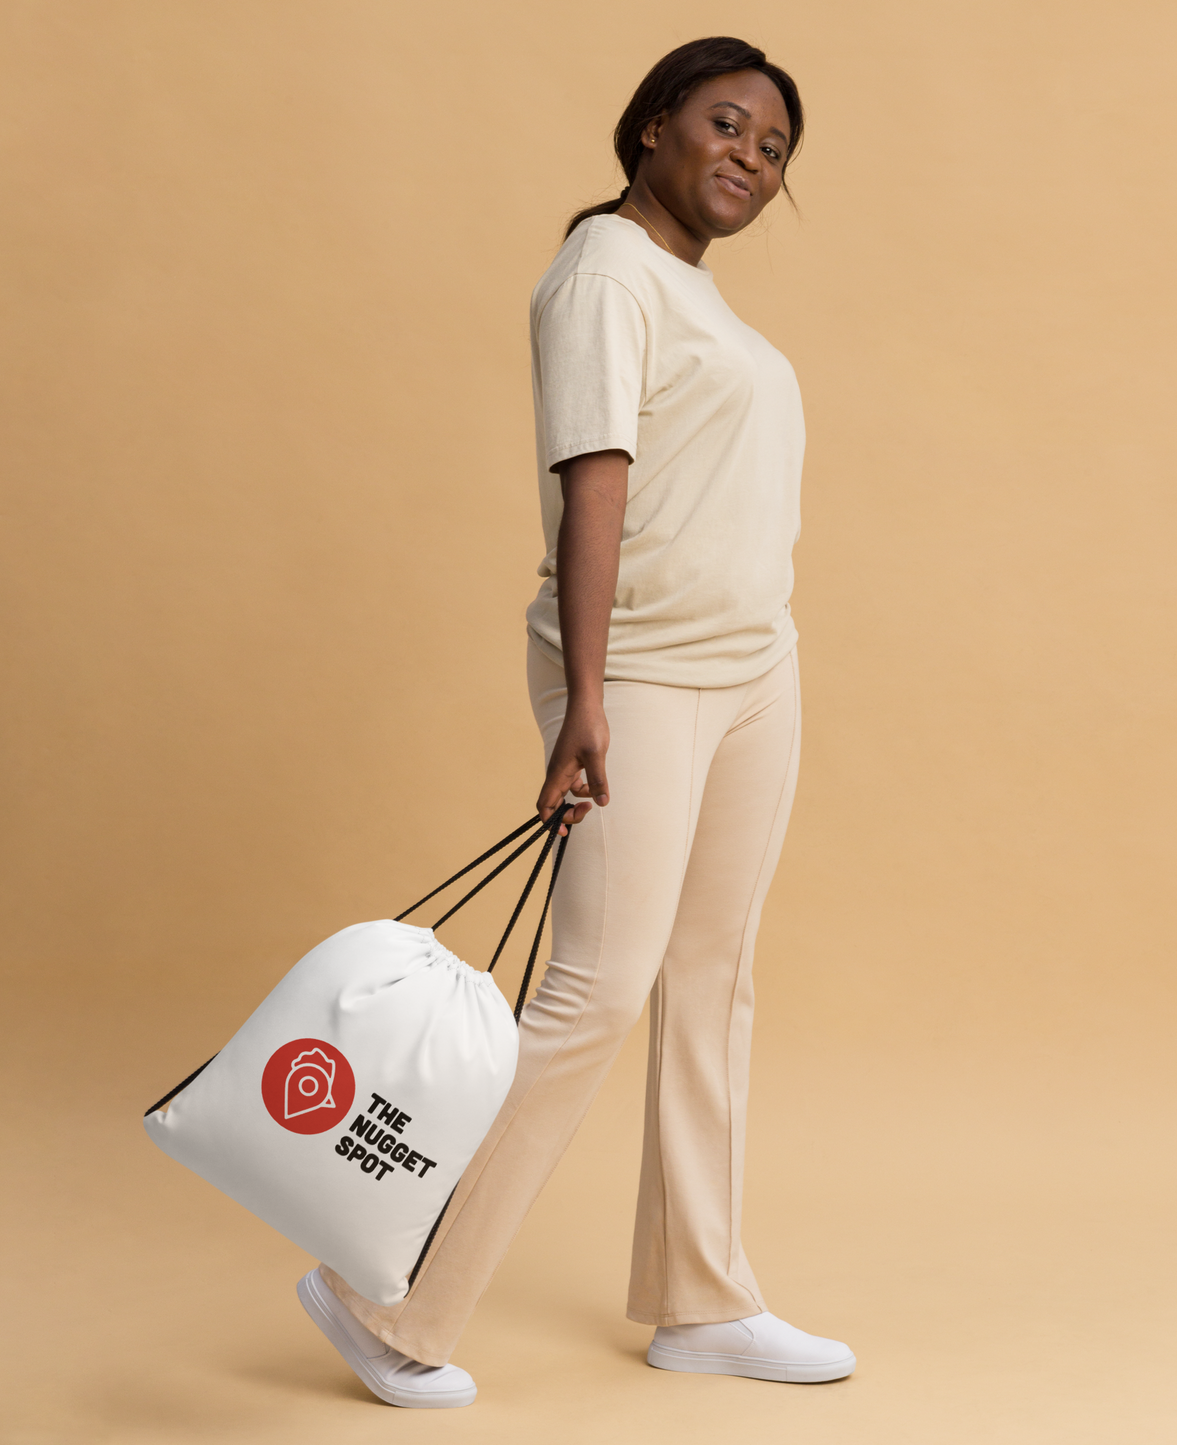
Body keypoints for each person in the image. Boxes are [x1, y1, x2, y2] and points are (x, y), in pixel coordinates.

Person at [295, 36, 855, 1408]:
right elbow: (591, 480)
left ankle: (701, 1300)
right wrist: (587, 699)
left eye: (775, 149)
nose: (750, 158)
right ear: (656, 123)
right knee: (595, 988)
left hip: (752, 673)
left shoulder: (693, 297)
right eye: (727, 124)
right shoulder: (604, 269)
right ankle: (387, 1298)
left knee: (712, 980)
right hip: (645, 676)